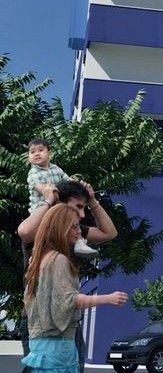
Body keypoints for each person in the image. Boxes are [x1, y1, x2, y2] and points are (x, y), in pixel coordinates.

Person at [18, 180, 119, 373]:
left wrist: (93, 202)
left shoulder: (75, 231)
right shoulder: (43, 229)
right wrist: (49, 199)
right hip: (43, 323)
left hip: (66, 322)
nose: (82, 215)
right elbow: (24, 231)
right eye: (78, 207)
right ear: (60, 204)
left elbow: (109, 233)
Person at [26, 139, 97, 258]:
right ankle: (36, 254)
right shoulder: (33, 172)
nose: (36, 154)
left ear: (49, 153)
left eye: (40, 150)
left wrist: (79, 186)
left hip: (57, 207)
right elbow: (41, 188)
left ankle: (79, 243)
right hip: (41, 210)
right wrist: (50, 190)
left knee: (72, 219)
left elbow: (68, 180)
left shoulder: (55, 168)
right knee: (43, 232)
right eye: (32, 152)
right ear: (28, 157)